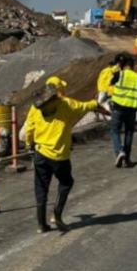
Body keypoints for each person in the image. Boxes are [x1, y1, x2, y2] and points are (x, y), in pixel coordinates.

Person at [24, 76, 110, 233]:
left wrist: (29, 145)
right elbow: (86, 106)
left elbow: (29, 130)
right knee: (66, 183)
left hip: (40, 154)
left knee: (41, 188)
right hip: (59, 157)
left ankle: (41, 225)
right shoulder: (67, 104)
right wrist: (97, 104)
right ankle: (56, 214)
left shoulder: (35, 107)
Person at [110, 54, 137, 168]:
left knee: (115, 131)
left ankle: (120, 152)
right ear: (132, 65)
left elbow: (110, 84)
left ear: (122, 65)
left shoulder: (119, 74)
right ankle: (127, 160)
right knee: (129, 133)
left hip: (118, 108)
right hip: (132, 109)